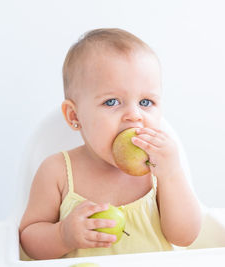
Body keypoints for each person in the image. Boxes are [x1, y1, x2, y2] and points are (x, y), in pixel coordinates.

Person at [19, 28, 202, 260]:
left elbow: (186, 236)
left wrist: (171, 174)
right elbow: (28, 241)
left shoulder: (160, 170)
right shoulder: (57, 171)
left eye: (146, 102)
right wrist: (62, 235)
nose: (134, 115)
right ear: (75, 116)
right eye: (112, 102)